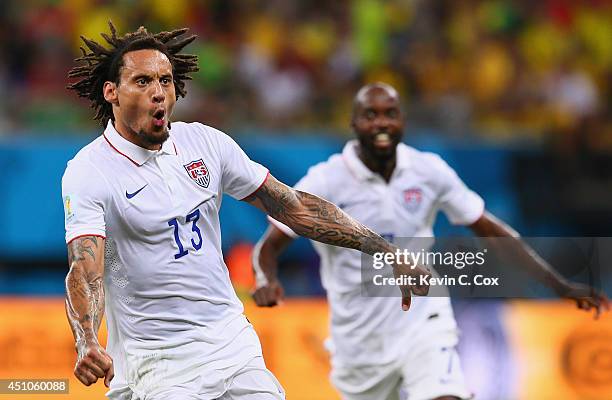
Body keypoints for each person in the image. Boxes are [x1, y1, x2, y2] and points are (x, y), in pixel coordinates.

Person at [61, 25, 430, 400]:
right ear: (112, 92)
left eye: (165, 81)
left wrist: (383, 250)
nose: (158, 92)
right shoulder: (90, 171)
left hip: (231, 345)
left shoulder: (204, 143)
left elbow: (295, 207)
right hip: (156, 361)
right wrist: (87, 339)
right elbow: (86, 269)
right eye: (141, 81)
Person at [252, 82, 609, 400]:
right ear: (353, 123)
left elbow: (488, 229)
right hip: (358, 340)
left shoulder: (429, 170)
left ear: (403, 120)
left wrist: (557, 284)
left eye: (390, 113)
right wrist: (267, 280)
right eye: (370, 115)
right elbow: (270, 245)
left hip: (424, 320)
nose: (381, 123)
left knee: (444, 394)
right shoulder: (325, 180)